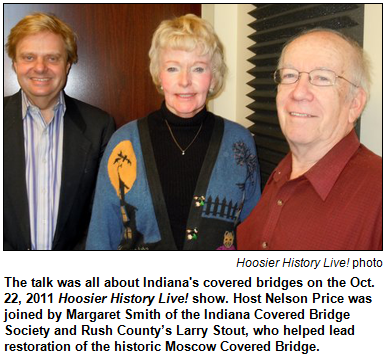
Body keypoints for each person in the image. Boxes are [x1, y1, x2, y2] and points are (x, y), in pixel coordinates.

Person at [86, 14, 260, 250]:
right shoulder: (124, 143)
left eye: (198, 68)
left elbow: (253, 233)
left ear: (213, 77)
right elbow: (101, 237)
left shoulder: (239, 142)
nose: (185, 81)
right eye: (173, 68)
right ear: (159, 75)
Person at [238, 28, 382, 250]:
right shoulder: (279, 174)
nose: (298, 92)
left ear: (354, 103)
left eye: (322, 78)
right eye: (289, 76)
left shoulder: (378, 193)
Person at [4, 13, 115, 250]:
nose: (40, 67)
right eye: (29, 57)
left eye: (52, 58)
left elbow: (102, 213)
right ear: (15, 64)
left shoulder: (99, 126)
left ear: (67, 65)